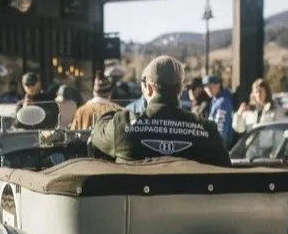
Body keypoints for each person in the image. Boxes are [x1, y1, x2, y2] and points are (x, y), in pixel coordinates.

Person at [90, 55, 232, 167]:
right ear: (180, 89)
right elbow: (225, 168)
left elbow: (97, 132)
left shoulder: (122, 127)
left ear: (149, 88)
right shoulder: (208, 132)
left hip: (135, 204)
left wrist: (118, 113)